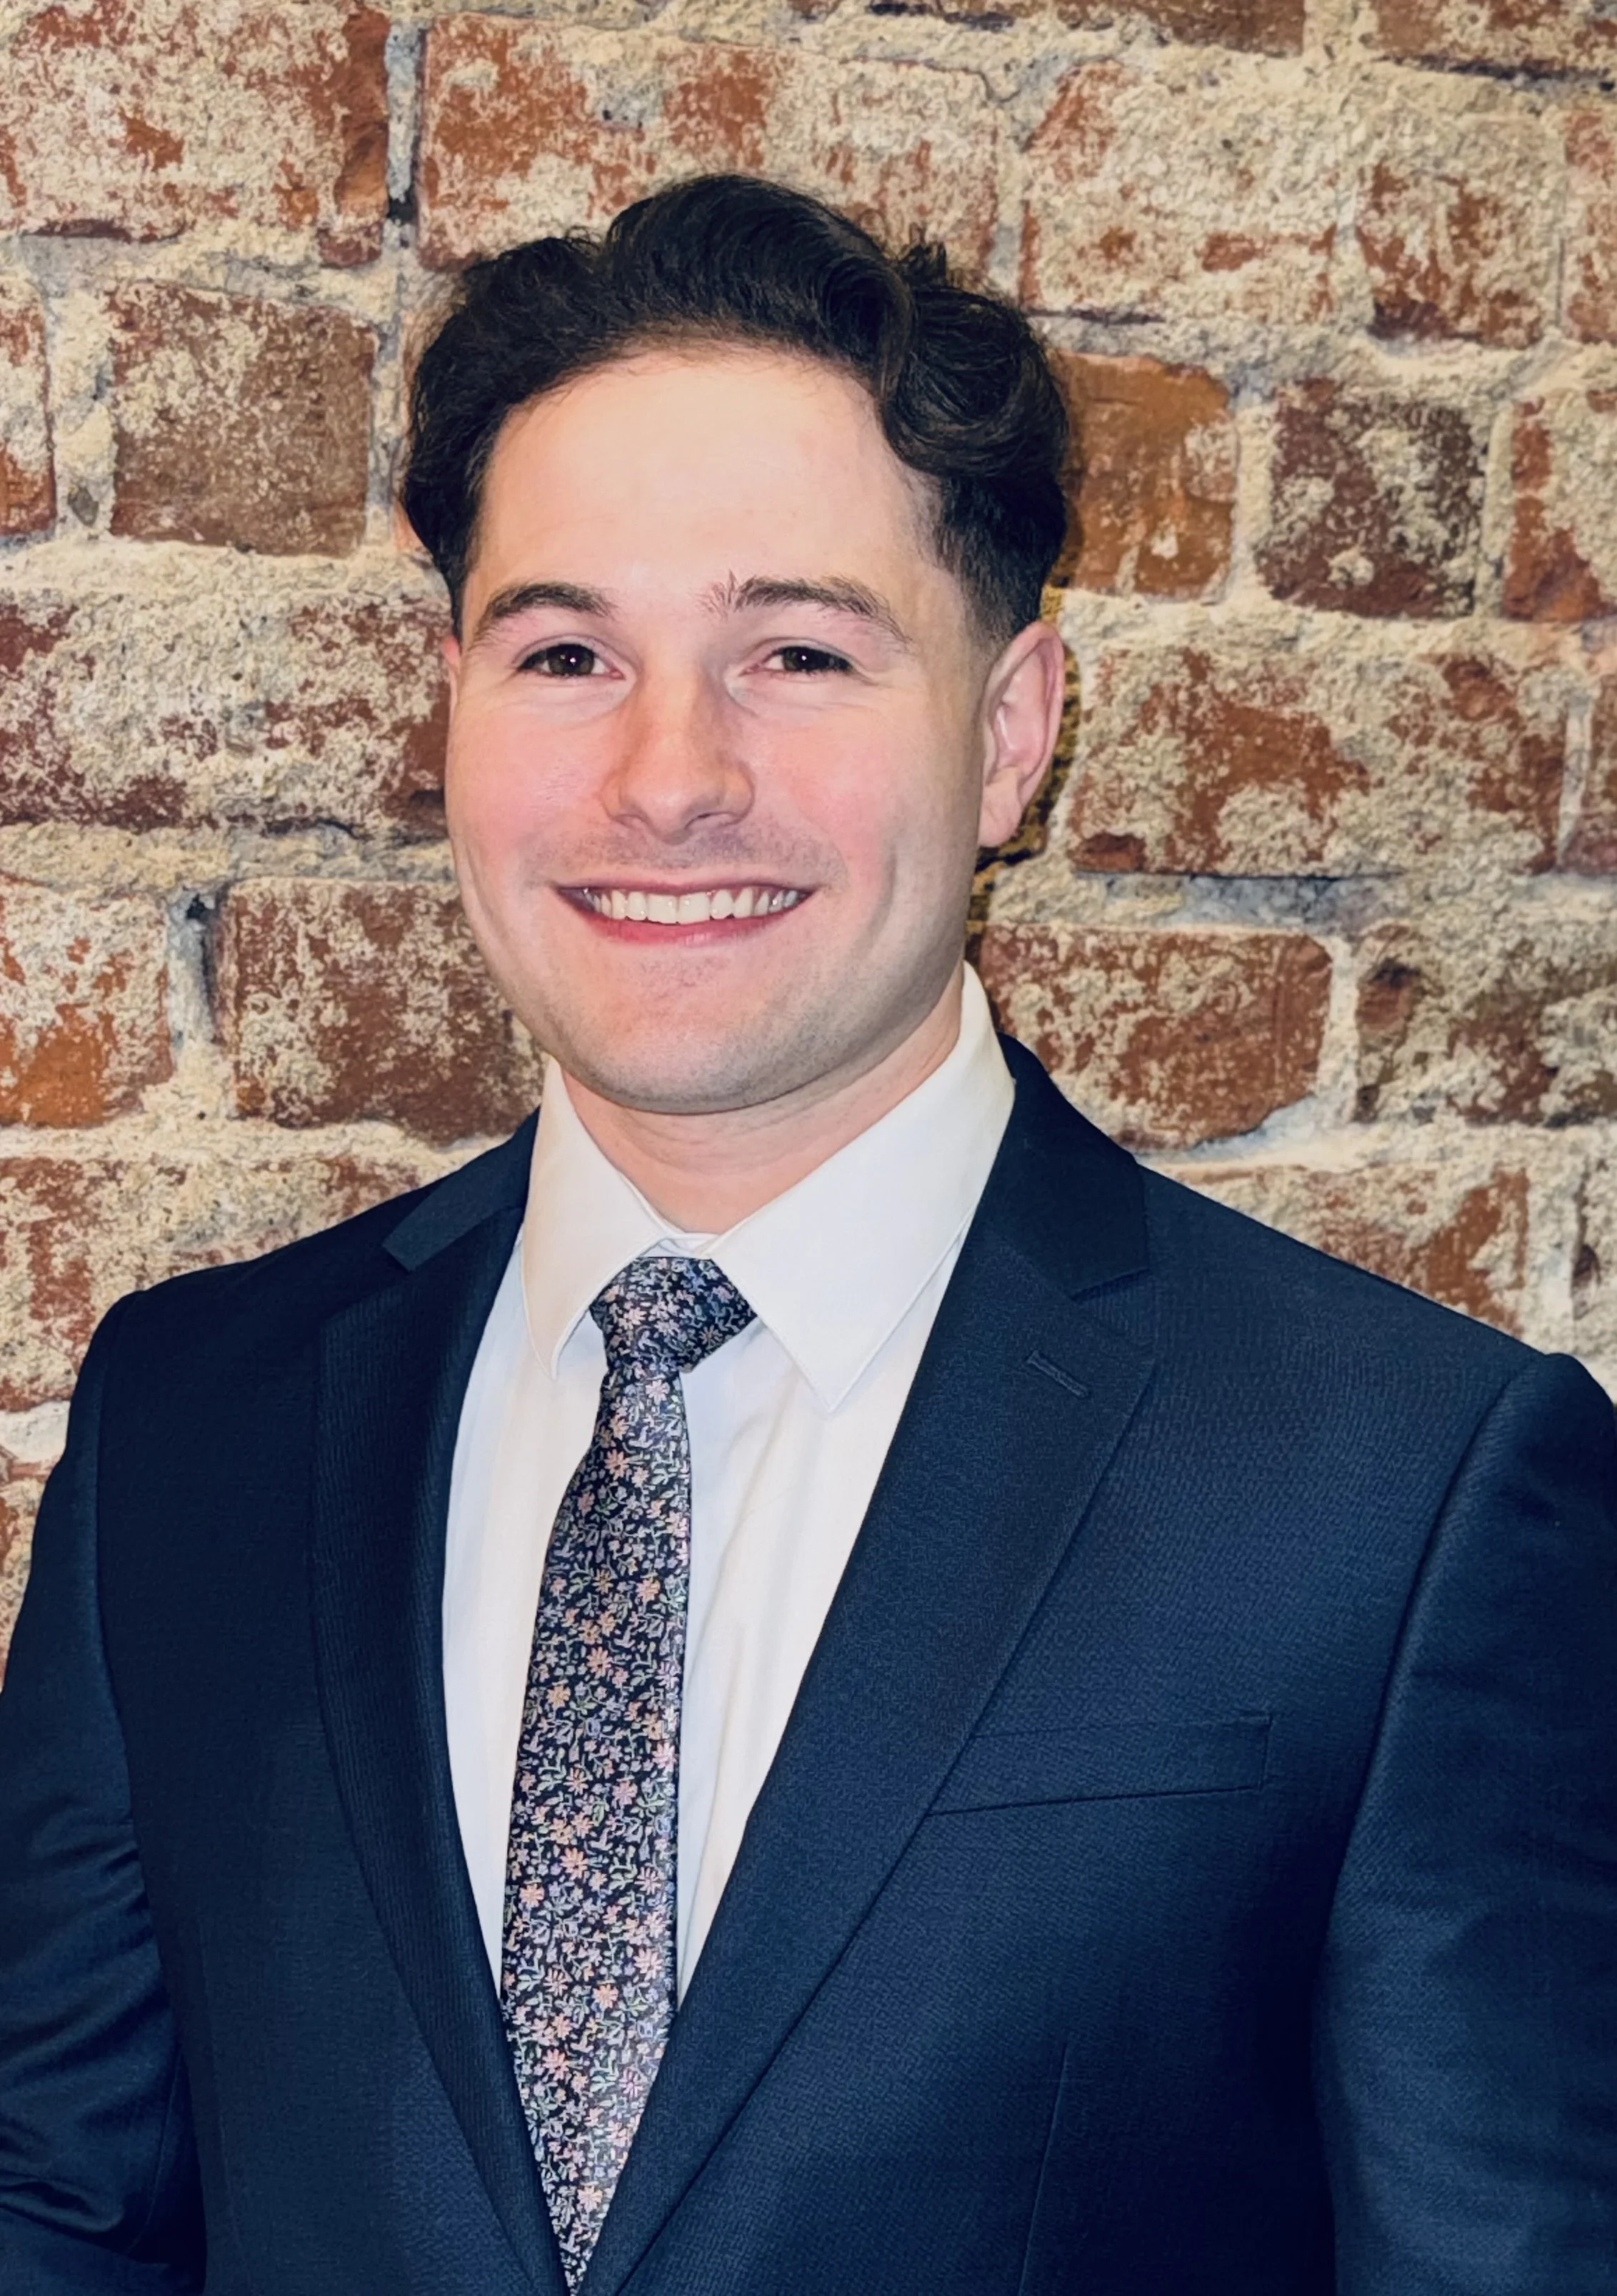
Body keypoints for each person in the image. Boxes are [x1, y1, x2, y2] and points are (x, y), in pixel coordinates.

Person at [1, 174, 1613, 2296]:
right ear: (454, 706)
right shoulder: (189, 1423)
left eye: (797, 651)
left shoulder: (1397, 1498)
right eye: (566, 650)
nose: (669, 777)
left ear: (1015, 726)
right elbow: (64, 2212)